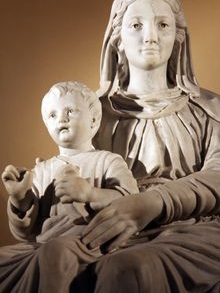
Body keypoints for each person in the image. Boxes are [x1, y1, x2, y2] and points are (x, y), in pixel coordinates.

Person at [79, 0, 220, 292]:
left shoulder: (208, 109)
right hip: (108, 229)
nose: (150, 36)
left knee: (127, 270)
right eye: (136, 25)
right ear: (118, 39)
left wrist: (154, 202)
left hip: (191, 232)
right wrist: (26, 205)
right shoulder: (93, 112)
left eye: (162, 24)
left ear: (178, 39)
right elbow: (68, 183)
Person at [0, 81, 138, 293]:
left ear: (94, 119)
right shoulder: (42, 170)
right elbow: (25, 234)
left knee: (56, 252)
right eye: (52, 116)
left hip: (88, 243)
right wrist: (20, 199)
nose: (61, 119)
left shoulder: (108, 161)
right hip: (43, 244)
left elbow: (132, 203)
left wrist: (89, 193)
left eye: (70, 111)